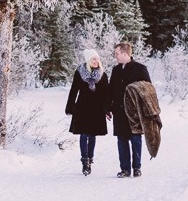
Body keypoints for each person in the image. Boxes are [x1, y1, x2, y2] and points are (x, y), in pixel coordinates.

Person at [107, 42, 151, 178]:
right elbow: (111, 90)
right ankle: (125, 169)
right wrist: (108, 108)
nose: (115, 56)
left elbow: (148, 90)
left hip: (134, 112)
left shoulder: (140, 69)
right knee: (121, 140)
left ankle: (137, 167)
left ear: (125, 53)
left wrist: (146, 110)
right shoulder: (116, 70)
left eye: (117, 54)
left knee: (135, 138)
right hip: (119, 111)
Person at [65, 48, 109, 176]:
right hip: (82, 107)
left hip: (97, 108)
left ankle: (90, 157)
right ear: (88, 60)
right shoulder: (80, 73)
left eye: (97, 59)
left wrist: (107, 108)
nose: (96, 61)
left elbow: (106, 93)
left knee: (92, 135)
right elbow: (74, 90)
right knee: (84, 134)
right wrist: (70, 106)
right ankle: (85, 161)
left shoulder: (102, 74)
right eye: (94, 59)